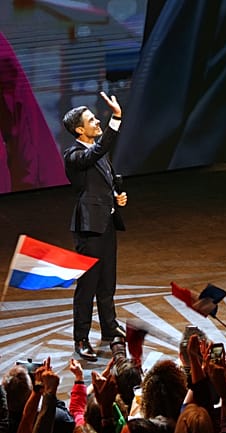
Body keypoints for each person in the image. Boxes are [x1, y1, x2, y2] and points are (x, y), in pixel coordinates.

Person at [62, 91, 128, 361]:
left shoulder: (97, 153)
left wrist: (117, 196)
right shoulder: (74, 155)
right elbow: (97, 151)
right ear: (79, 129)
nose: (97, 121)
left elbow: (103, 181)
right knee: (88, 285)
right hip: (89, 228)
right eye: (91, 120)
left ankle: (110, 327)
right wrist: (116, 118)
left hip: (106, 223)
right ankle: (81, 338)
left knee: (107, 281)